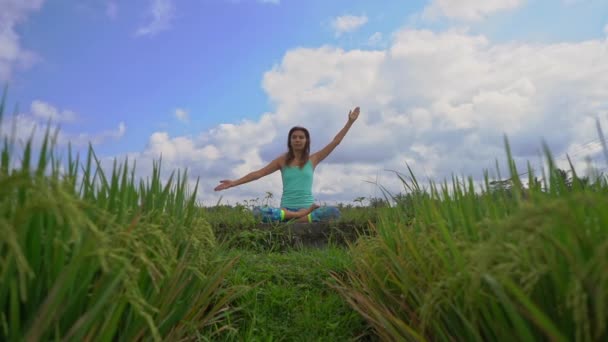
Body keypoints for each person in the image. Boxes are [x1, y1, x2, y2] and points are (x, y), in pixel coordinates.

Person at [214, 106, 360, 223]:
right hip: (286, 209)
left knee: (335, 212)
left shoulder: (313, 159)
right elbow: (259, 173)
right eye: (294, 137)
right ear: (290, 141)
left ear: (306, 141)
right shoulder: (282, 161)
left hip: (309, 207)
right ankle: (301, 217)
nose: (297, 140)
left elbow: (335, 142)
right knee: (258, 212)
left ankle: (294, 218)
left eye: (301, 137)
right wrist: (233, 183)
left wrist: (350, 122)